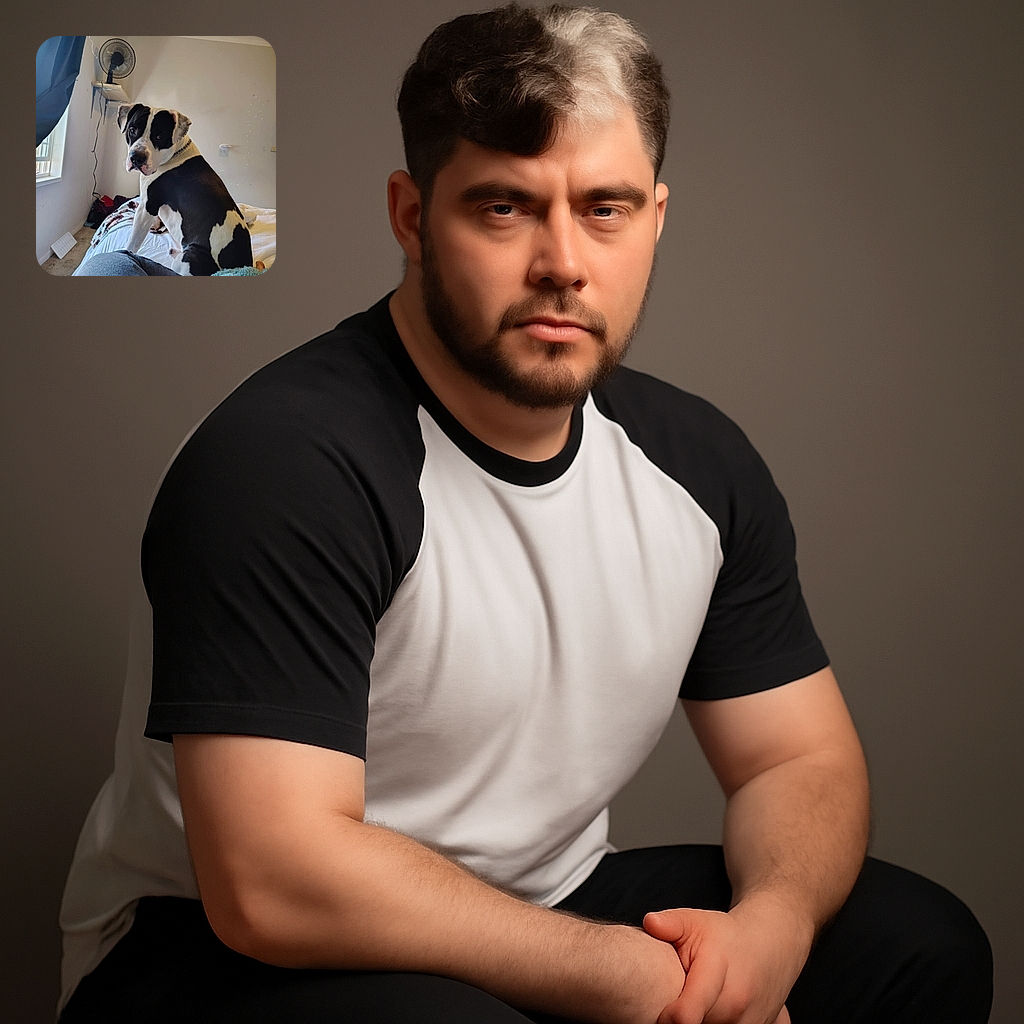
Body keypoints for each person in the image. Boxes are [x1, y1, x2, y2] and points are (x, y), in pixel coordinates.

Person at [58, 5, 992, 1023]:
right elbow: (272, 881)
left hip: (539, 901)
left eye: (605, 208)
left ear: (656, 218)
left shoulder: (696, 465)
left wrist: (769, 931)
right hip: (213, 949)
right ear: (412, 217)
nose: (562, 261)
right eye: (504, 207)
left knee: (919, 948)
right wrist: (612, 972)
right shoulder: (287, 462)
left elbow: (796, 756)